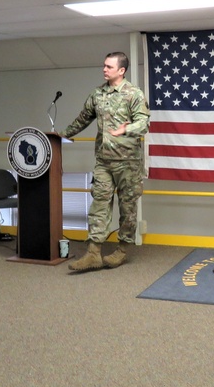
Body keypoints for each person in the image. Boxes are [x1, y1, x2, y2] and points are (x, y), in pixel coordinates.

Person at [63, 51, 150, 271]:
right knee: (99, 205)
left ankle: (122, 250)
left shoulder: (133, 94)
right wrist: (63, 134)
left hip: (128, 163)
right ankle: (93, 253)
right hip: (103, 162)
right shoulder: (97, 94)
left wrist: (126, 129)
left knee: (127, 210)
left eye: (109, 67)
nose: (104, 69)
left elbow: (144, 123)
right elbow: (83, 118)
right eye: (104, 66)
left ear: (121, 70)